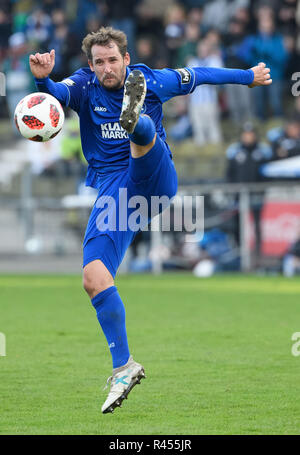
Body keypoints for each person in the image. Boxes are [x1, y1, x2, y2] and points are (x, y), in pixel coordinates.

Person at [29, 26, 272, 414]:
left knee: (142, 139)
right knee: (93, 277)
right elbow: (54, 96)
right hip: (117, 194)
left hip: (155, 177)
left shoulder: (152, 78)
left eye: (113, 60)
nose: (106, 68)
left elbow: (202, 76)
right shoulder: (82, 85)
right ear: (91, 65)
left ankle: (136, 120)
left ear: (126, 60)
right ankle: (124, 366)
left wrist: (249, 77)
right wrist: (42, 78)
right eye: (99, 63)